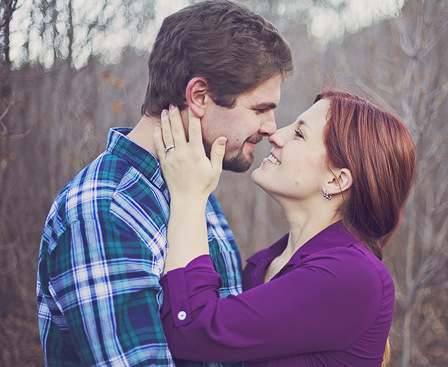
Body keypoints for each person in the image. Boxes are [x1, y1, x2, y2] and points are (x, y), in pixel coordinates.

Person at [36, 1, 293, 366]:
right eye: (260, 108)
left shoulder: (192, 188)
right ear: (200, 97)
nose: (271, 127)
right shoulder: (104, 213)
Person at [155, 91, 416, 366]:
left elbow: (194, 330)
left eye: (300, 135)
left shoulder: (352, 275)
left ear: (336, 180)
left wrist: (190, 197)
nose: (276, 135)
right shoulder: (262, 265)